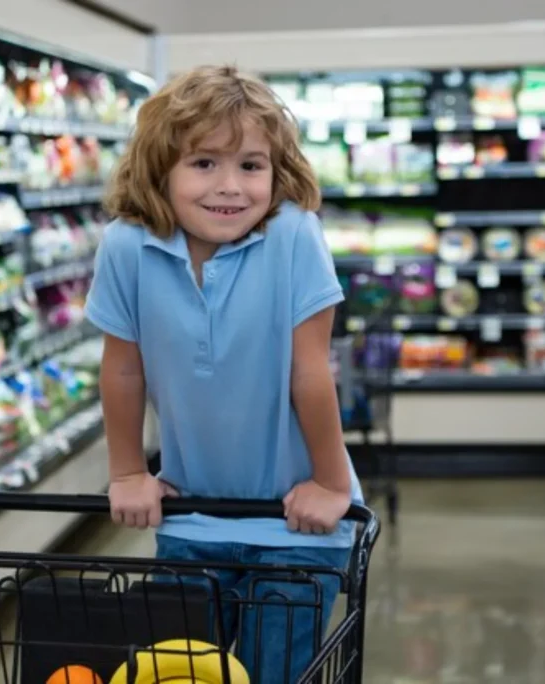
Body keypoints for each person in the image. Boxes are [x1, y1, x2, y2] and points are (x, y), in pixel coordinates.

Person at [84, 64, 364, 683]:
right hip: (192, 515)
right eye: (204, 164)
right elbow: (123, 369)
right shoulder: (127, 247)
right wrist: (129, 471)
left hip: (298, 525)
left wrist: (330, 482)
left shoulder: (294, 235)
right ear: (160, 168)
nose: (230, 187)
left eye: (251, 166)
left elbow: (310, 370)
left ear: (277, 171)